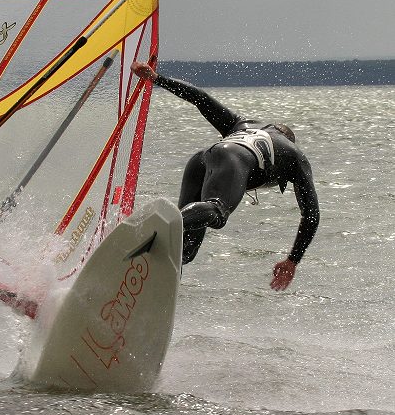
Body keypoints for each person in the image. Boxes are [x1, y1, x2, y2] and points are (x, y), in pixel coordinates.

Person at [131, 59, 319, 290]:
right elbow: (311, 215)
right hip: (233, 159)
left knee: (186, 248)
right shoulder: (293, 155)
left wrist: (157, 79)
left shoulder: (241, 125)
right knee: (218, 211)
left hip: (203, 159)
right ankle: (155, 229)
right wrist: (293, 260)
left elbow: (201, 98)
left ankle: (149, 281)